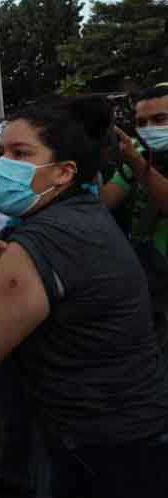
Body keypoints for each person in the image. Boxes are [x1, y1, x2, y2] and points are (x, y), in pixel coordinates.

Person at [0, 99, 168, 498]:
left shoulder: (47, 236)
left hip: (102, 445)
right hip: (123, 428)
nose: (3, 167)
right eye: (1, 154)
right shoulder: (73, 213)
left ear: (64, 171)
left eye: (20, 154)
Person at [101, 84, 168, 347]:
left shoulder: (136, 159)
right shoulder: (139, 154)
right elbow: (105, 202)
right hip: (150, 279)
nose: (149, 128)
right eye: (141, 123)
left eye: (160, 119)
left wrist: (137, 164)